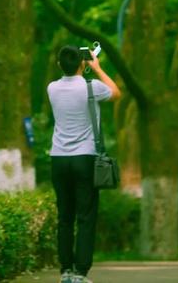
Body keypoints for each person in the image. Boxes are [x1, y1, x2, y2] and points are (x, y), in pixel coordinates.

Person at [47, 45, 121, 283]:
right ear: (82, 63)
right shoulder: (93, 87)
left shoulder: (52, 88)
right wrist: (97, 68)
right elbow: (116, 92)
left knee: (65, 217)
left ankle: (65, 271)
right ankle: (80, 273)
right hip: (85, 158)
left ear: (60, 65)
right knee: (86, 217)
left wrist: (81, 66)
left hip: (58, 158)